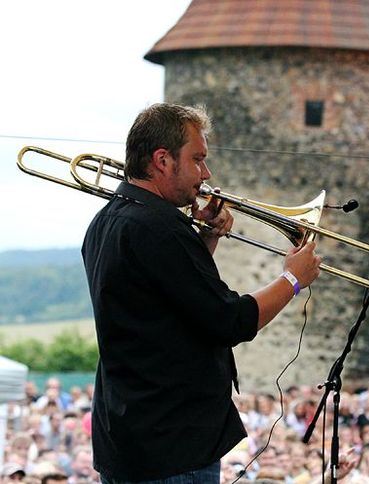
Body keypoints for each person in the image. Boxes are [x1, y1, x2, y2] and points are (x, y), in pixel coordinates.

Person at [81, 103, 321, 482]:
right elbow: (229, 321)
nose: (206, 174)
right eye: (197, 159)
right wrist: (291, 280)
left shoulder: (108, 220)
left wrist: (205, 239)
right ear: (162, 160)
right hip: (171, 444)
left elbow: (171, 298)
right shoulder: (160, 228)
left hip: (133, 435)